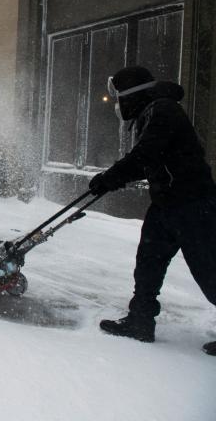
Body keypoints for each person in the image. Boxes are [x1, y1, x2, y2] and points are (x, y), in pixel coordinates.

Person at [88, 66, 216, 356]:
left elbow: (146, 155)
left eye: (119, 98)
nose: (118, 105)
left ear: (132, 95)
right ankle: (140, 321)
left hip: (194, 206)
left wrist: (110, 178)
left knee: (209, 270)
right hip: (167, 203)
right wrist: (113, 178)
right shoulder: (151, 112)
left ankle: (141, 319)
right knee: (148, 263)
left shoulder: (164, 111)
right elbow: (148, 159)